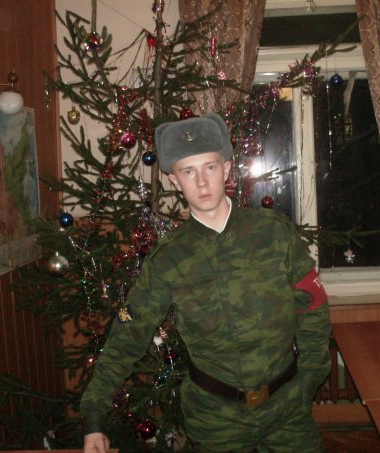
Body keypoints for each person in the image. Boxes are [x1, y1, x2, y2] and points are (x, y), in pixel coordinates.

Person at [81, 112, 331, 452]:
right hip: (216, 421)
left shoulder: (273, 233)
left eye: (209, 167)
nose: (201, 182)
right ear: (174, 180)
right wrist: (94, 417)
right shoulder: (168, 259)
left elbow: (313, 308)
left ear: (226, 169)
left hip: (288, 409)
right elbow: (127, 335)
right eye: (188, 171)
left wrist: (310, 379)